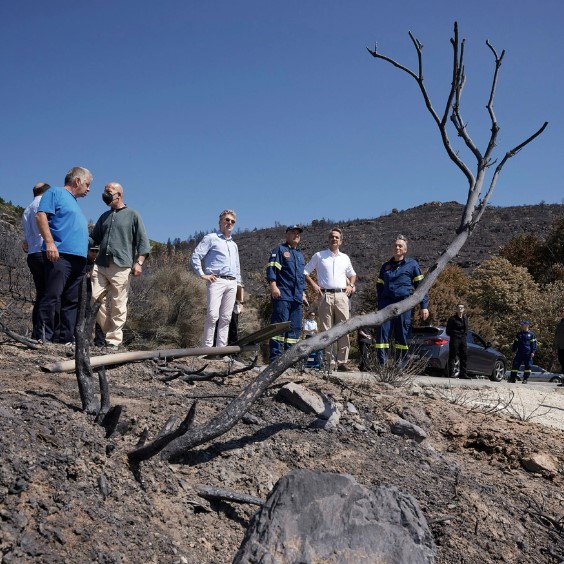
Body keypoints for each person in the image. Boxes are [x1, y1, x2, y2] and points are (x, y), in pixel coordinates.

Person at [89, 183, 150, 350]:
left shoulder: (133, 215)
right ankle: (108, 331)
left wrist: (139, 263)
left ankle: (114, 340)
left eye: (108, 192)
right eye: (104, 192)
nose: (105, 194)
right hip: (101, 264)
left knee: (118, 304)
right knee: (95, 300)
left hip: (122, 266)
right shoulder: (104, 216)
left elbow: (143, 243)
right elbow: (93, 238)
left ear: (119, 194)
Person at [35, 167, 91, 344]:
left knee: (71, 301)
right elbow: (41, 215)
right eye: (87, 184)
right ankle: (43, 337)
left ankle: (64, 339)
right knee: (52, 296)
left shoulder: (74, 202)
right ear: (77, 181)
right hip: (60, 256)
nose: (89, 189)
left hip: (78, 259)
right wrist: (50, 242)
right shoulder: (55, 193)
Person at [304, 227, 356, 371]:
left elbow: (352, 274)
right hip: (324, 295)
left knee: (344, 328)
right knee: (325, 329)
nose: (334, 239)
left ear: (341, 241)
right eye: (332, 236)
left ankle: (342, 362)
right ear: (328, 239)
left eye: (337, 237)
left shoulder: (345, 258)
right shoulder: (319, 255)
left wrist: (351, 285)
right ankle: (328, 361)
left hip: (341, 295)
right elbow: (305, 272)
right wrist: (314, 285)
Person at [191, 209, 243, 349]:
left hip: (232, 282)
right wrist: (202, 274)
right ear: (220, 222)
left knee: (226, 318)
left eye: (232, 221)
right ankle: (206, 349)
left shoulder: (234, 245)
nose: (229, 223)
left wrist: (240, 296)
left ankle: (221, 350)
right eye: (227, 220)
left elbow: (237, 269)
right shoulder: (211, 238)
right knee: (213, 315)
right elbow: (196, 256)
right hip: (216, 280)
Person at [375, 235, 429, 364]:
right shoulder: (385, 266)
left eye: (400, 246)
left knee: (402, 335)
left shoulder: (412, 265)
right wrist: (380, 302)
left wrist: (424, 306)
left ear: (405, 250)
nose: (397, 248)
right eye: (395, 245)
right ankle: (382, 364)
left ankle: (400, 366)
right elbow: (379, 285)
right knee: (382, 334)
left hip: (404, 304)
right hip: (386, 304)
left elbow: (421, 287)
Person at [266, 225, 306, 362]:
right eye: (293, 233)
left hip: (297, 297)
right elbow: (272, 269)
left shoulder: (300, 255)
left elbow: (301, 277)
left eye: (298, 233)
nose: (296, 235)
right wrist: (273, 286)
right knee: (279, 327)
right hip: (283, 295)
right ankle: (276, 358)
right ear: (286, 235)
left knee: (294, 329)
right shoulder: (280, 250)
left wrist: (303, 293)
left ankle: (291, 359)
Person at [21, 182, 51, 339]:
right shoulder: (43, 204)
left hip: (32, 254)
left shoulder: (26, 209)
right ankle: (45, 334)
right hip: (44, 251)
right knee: (50, 294)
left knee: (41, 294)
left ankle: (37, 332)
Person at [446, 304, 469, 379]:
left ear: (464, 309)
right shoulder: (452, 319)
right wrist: (454, 335)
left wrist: (463, 336)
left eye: (461, 307)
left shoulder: (465, 318)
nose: (460, 309)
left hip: (463, 339)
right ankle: (451, 373)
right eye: (458, 308)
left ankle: (463, 374)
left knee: (464, 355)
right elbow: (448, 331)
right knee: (453, 355)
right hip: (455, 338)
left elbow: (466, 329)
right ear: (456, 309)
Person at [557, 307, 564, 387]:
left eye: (562, 311)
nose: (561, 312)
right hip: (561, 347)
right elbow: (556, 336)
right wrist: (554, 348)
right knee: (562, 364)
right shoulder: (560, 324)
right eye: (560, 311)